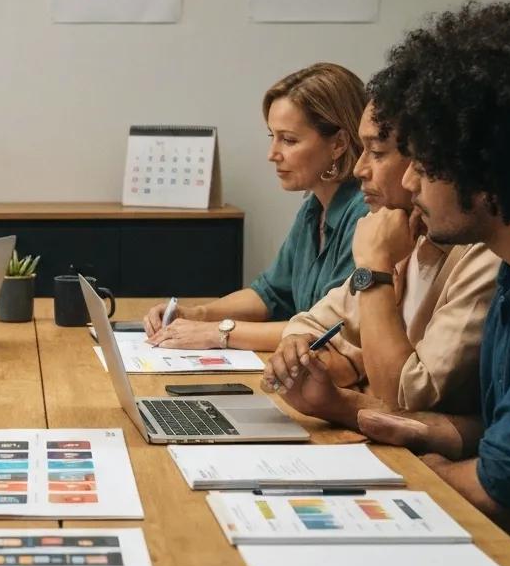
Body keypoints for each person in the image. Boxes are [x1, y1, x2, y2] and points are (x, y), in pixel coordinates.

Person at [266, 2, 510, 537]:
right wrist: (345, 408)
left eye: (424, 165)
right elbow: (490, 434)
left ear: (483, 165)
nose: (408, 184)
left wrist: (421, 471)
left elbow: (499, 486)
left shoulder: (488, 260)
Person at [263, 98, 498, 415]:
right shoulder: (400, 228)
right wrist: (300, 346)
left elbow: (406, 398)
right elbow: (311, 321)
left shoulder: (482, 252)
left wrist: (374, 268)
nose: (359, 168)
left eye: (376, 152)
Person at [144, 62, 368, 352]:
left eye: (288, 140)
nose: (272, 154)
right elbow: (270, 294)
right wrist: (195, 314)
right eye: (272, 137)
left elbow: (328, 330)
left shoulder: (364, 212)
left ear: (338, 143)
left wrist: (218, 332)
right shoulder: (314, 208)